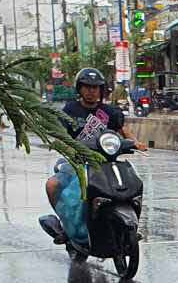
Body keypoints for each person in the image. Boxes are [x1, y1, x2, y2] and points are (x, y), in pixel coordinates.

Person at [41, 68, 129, 255]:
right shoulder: (70, 110)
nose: (91, 91)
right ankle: (66, 228)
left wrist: (136, 142)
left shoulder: (109, 112)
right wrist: (66, 145)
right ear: (80, 89)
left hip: (106, 163)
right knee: (53, 184)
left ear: (101, 90)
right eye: (87, 87)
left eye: (95, 88)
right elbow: (60, 133)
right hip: (76, 162)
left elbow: (123, 131)